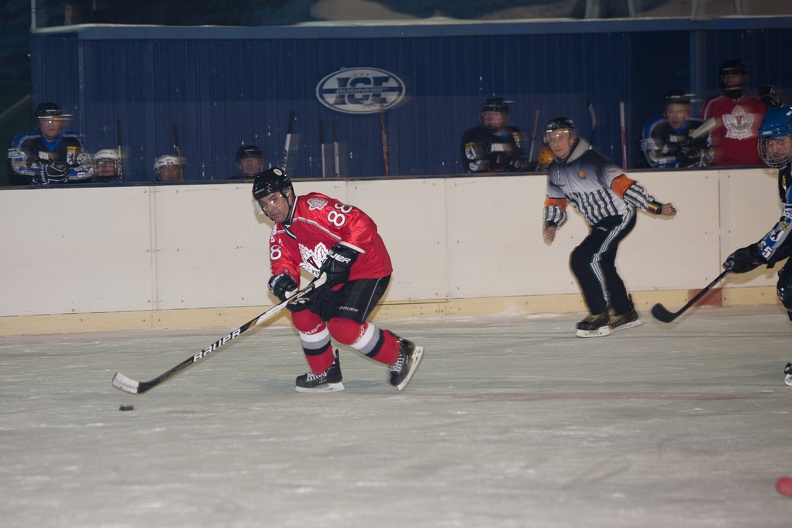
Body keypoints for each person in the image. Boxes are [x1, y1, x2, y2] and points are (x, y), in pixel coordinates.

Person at [253, 167, 424, 392]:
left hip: (368, 267)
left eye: (273, 199)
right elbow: (283, 267)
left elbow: (362, 223)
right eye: (264, 203)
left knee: (343, 328)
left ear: (288, 193)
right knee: (302, 313)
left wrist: (345, 252)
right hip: (335, 279)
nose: (269, 208)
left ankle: (399, 351)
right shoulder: (279, 235)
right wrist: (285, 287)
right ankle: (326, 372)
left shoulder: (315, 208)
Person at [541, 117, 677, 337]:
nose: (556, 143)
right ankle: (624, 312)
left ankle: (599, 313)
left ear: (572, 139)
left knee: (582, 257)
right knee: (603, 261)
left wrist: (655, 207)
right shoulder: (555, 170)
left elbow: (624, 186)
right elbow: (555, 201)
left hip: (619, 216)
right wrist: (551, 223)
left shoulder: (592, 161)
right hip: (599, 222)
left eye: (561, 137)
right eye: (551, 139)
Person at [721, 107, 792, 385]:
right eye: (771, 142)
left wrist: (756, 253)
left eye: (782, 140)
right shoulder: (786, 171)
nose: (775, 148)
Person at [8, 102, 93, 185]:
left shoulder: (73, 139)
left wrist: (62, 176)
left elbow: (88, 169)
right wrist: (39, 175)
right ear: (38, 123)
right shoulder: (24, 140)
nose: (51, 124)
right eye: (46, 120)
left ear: (60, 123)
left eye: (55, 120)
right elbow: (16, 170)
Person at [700, 59, 766, 166]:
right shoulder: (712, 104)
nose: (730, 78)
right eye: (726, 75)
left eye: (734, 75)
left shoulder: (758, 104)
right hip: (722, 169)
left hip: (756, 167)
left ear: (743, 77)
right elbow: (701, 135)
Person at [641, 90, 713, 168]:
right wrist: (681, 159)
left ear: (686, 112)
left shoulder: (699, 126)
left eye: (680, 111)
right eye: (671, 112)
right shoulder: (653, 127)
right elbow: (653, 161)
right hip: (662, 178)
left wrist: (699, 154)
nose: (675, 117)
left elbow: (712, 156)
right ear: (665, 112)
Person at [460, 97, 532, 173]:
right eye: (487, 114)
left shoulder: (515, 135)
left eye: (495, 114)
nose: (490, 118)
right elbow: (477, 166)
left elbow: (523, 161)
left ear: (505, 116)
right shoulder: (473, 136)